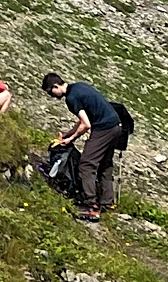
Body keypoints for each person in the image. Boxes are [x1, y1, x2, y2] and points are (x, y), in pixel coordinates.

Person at [43, 71, 131, 222]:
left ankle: (91, 206)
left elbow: (86, 125)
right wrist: (66, 135)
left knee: (86, 165)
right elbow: (86, 117)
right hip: (116, 127)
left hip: (103, 128)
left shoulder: (71, 98)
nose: (52, 96)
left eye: (51, 93)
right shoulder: (79, 86)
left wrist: (70, 139)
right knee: (105, 164)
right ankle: (107, 203)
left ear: (56, 86)